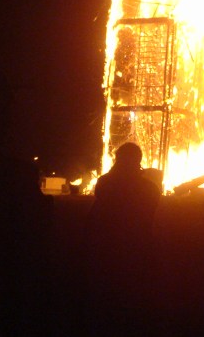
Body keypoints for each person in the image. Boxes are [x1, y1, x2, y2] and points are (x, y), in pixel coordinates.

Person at [82, 143, 161, 334]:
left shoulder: (105, 183)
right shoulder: (150, 188)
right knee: (133, 299)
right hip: (137, 248)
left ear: (118, 159)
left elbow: (96, 216)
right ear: (138, 160)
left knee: (107, 298)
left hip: (107, 249)